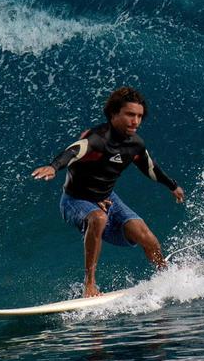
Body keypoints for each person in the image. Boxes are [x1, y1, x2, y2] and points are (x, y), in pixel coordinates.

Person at [31, 86, 185, 297]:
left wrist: (172, 185)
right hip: (75, 200)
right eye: (130, 114)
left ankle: (167, 276)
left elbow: (150, 168)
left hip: (107, 197)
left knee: (146, 236)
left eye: (139, 116)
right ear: (113, 114)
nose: (136, 121)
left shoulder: (135, 145)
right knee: (98, 218)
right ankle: (90, 284)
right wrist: (54, 166)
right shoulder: (97, 138)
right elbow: (74, 150)